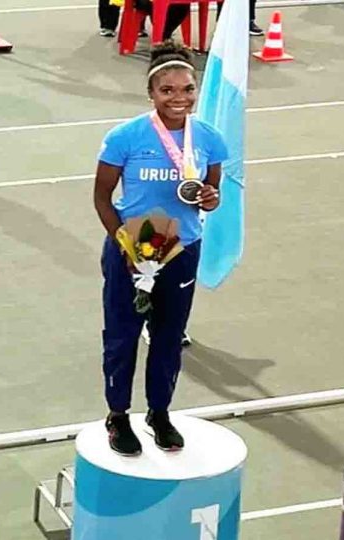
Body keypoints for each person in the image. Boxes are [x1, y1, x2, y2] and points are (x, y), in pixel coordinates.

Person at [94, 42, 228, 456]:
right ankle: (117, 416)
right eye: (167, 90)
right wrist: (125, 244)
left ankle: (159, 412)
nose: (178, 98)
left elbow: (213, 191)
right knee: (122, 335)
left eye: (186, 89)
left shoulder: (208, 138)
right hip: (128, 252)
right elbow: (102, 196)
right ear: (151, 93)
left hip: (181, 251)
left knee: (169, 337)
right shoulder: (126, 137)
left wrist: (210, 198)